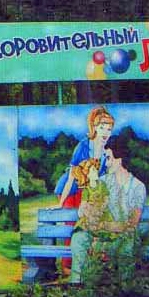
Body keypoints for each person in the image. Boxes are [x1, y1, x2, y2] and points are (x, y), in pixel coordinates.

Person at [69, 149, 146, 284]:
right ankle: (77, 284)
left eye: (109, 158)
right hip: (99, 233)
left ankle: (124, 286)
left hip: (121, 235)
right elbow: (84, 210)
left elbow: (132, 222)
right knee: (79, 238)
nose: (106, 163)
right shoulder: (101, 182)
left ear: (120, 160)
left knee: (128, 239)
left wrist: (105, 226)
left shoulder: (137, 187)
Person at [54, 106, 114, 271]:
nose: (106, 132)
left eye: (109, 129)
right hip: (71, 189)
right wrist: (61, 203)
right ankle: (68, 265)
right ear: (93, 127)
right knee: (73, 224)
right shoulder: (83, 146)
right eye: (102, 127)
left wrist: (110, 165)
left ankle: (91, 263)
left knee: (93, 222)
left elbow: (104, 181)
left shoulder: (106, 153)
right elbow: (71, 177)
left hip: (89, 192)